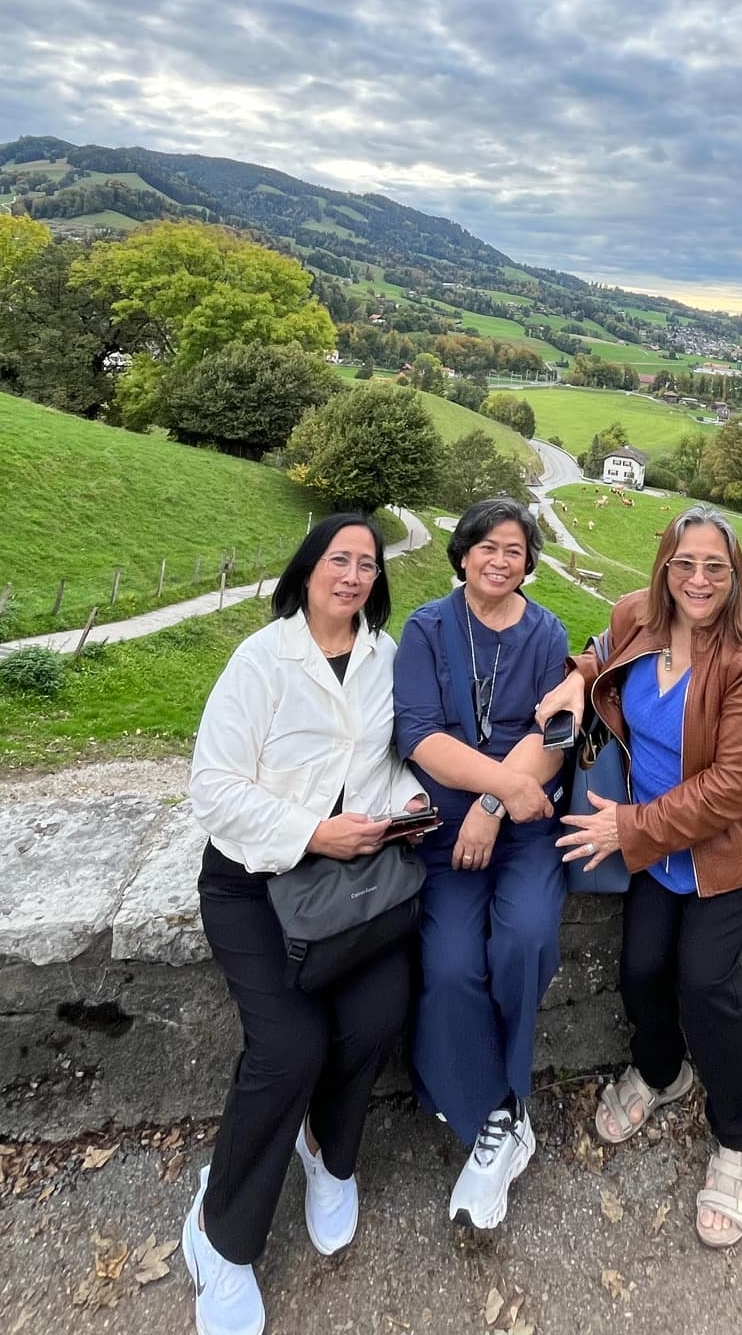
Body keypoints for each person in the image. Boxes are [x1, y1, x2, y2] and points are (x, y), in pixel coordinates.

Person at [182, 512, 429, 1335]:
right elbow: (213, 788)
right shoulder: (262, 660)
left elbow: (386, 764)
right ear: (309, 568)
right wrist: (312, 832)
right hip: (254, 882)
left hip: (351, 887)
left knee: (376, 1015)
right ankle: (220, 1236)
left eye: (367, 564)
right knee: (288, 1047)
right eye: (339, 559)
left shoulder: (383, 658)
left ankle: (330, 1153)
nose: (354, 574)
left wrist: (407, 806)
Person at [541, 506, 742, 1249]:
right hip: (656, 844)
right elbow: (602, 651)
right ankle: (661, 1075)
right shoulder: (637, 617)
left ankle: (739, 1138)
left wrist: (628, 829)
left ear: (735, 576)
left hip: (725, 846)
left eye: (716, 567)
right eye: (685, 563)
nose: (699, 579)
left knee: (705, 982)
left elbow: (733, 786)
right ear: (663, 567)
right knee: (641, 969)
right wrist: (575, 682)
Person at [392, 496, 571, 1229]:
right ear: (462, 553)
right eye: (487, 547)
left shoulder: (547, 630)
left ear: (529, 562)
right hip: (445, 832)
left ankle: (508, 1100)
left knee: (525, 938)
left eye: (515, 550)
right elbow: (419, 736)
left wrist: (495, 808)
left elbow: (554, 735)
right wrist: (485, 799)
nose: (501, 560)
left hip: (521, 825)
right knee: (450, 965)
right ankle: (496, 1109)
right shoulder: (428, 628)